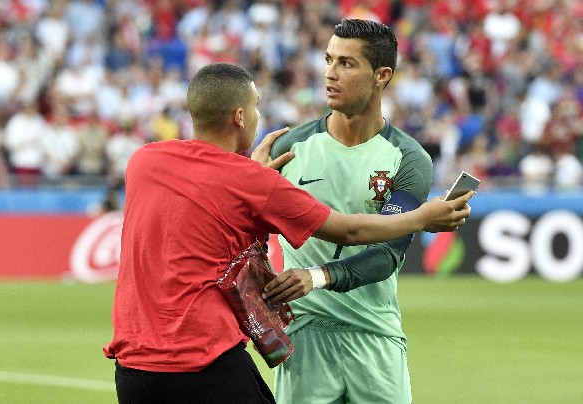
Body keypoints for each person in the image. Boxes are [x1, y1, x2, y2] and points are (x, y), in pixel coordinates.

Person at [103, 62, 472, 404]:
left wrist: (246, 172)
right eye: (257, 107)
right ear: (240, 117)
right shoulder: (253, 183)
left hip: (134, 371)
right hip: (204, 360)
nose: (259, 116)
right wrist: (423, 218)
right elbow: (350, 229)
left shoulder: (144, 162)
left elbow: (205, 197)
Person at [267, 19, 448, 404]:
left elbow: (386, 255)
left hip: (375, 336)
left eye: (347, 64)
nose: (330, 73)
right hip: (306, 335)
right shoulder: (289, 148)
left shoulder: (408, 158)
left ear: (382, 76)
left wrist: (314, 277)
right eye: (329, 59)